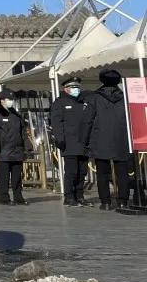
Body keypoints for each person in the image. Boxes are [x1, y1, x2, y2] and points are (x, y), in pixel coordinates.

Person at [82, 68, 132, 210]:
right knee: (122, 173)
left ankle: (105, 202)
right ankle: (123, 200)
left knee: (102, 173)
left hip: (100, 140)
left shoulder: (94, 98)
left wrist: (85, 140)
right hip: (122, 139)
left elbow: (87, 121)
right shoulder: (125, 97)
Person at [0, 89, 33, 206]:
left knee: (17, 176)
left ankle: (18, 197)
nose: (11, 102)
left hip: (17, 151)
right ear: (2, 101)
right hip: (4, 152)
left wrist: (28, 146)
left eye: (12, 100)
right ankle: (4, 198)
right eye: (9, 100)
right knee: (4, 177)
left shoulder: (16, 115)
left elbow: (23, 133)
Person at [50, 76, 92, 207]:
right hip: (69, 143)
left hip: (84, 143)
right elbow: (56, 123)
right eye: (73, 87)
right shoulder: (60, 102)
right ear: (66, 89)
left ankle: (79, 195)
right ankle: (69, 197)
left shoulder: (83, 102)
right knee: (71, 172)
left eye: (77, 87)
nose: (76, 89)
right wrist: (60, 139)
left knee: (82, 172)